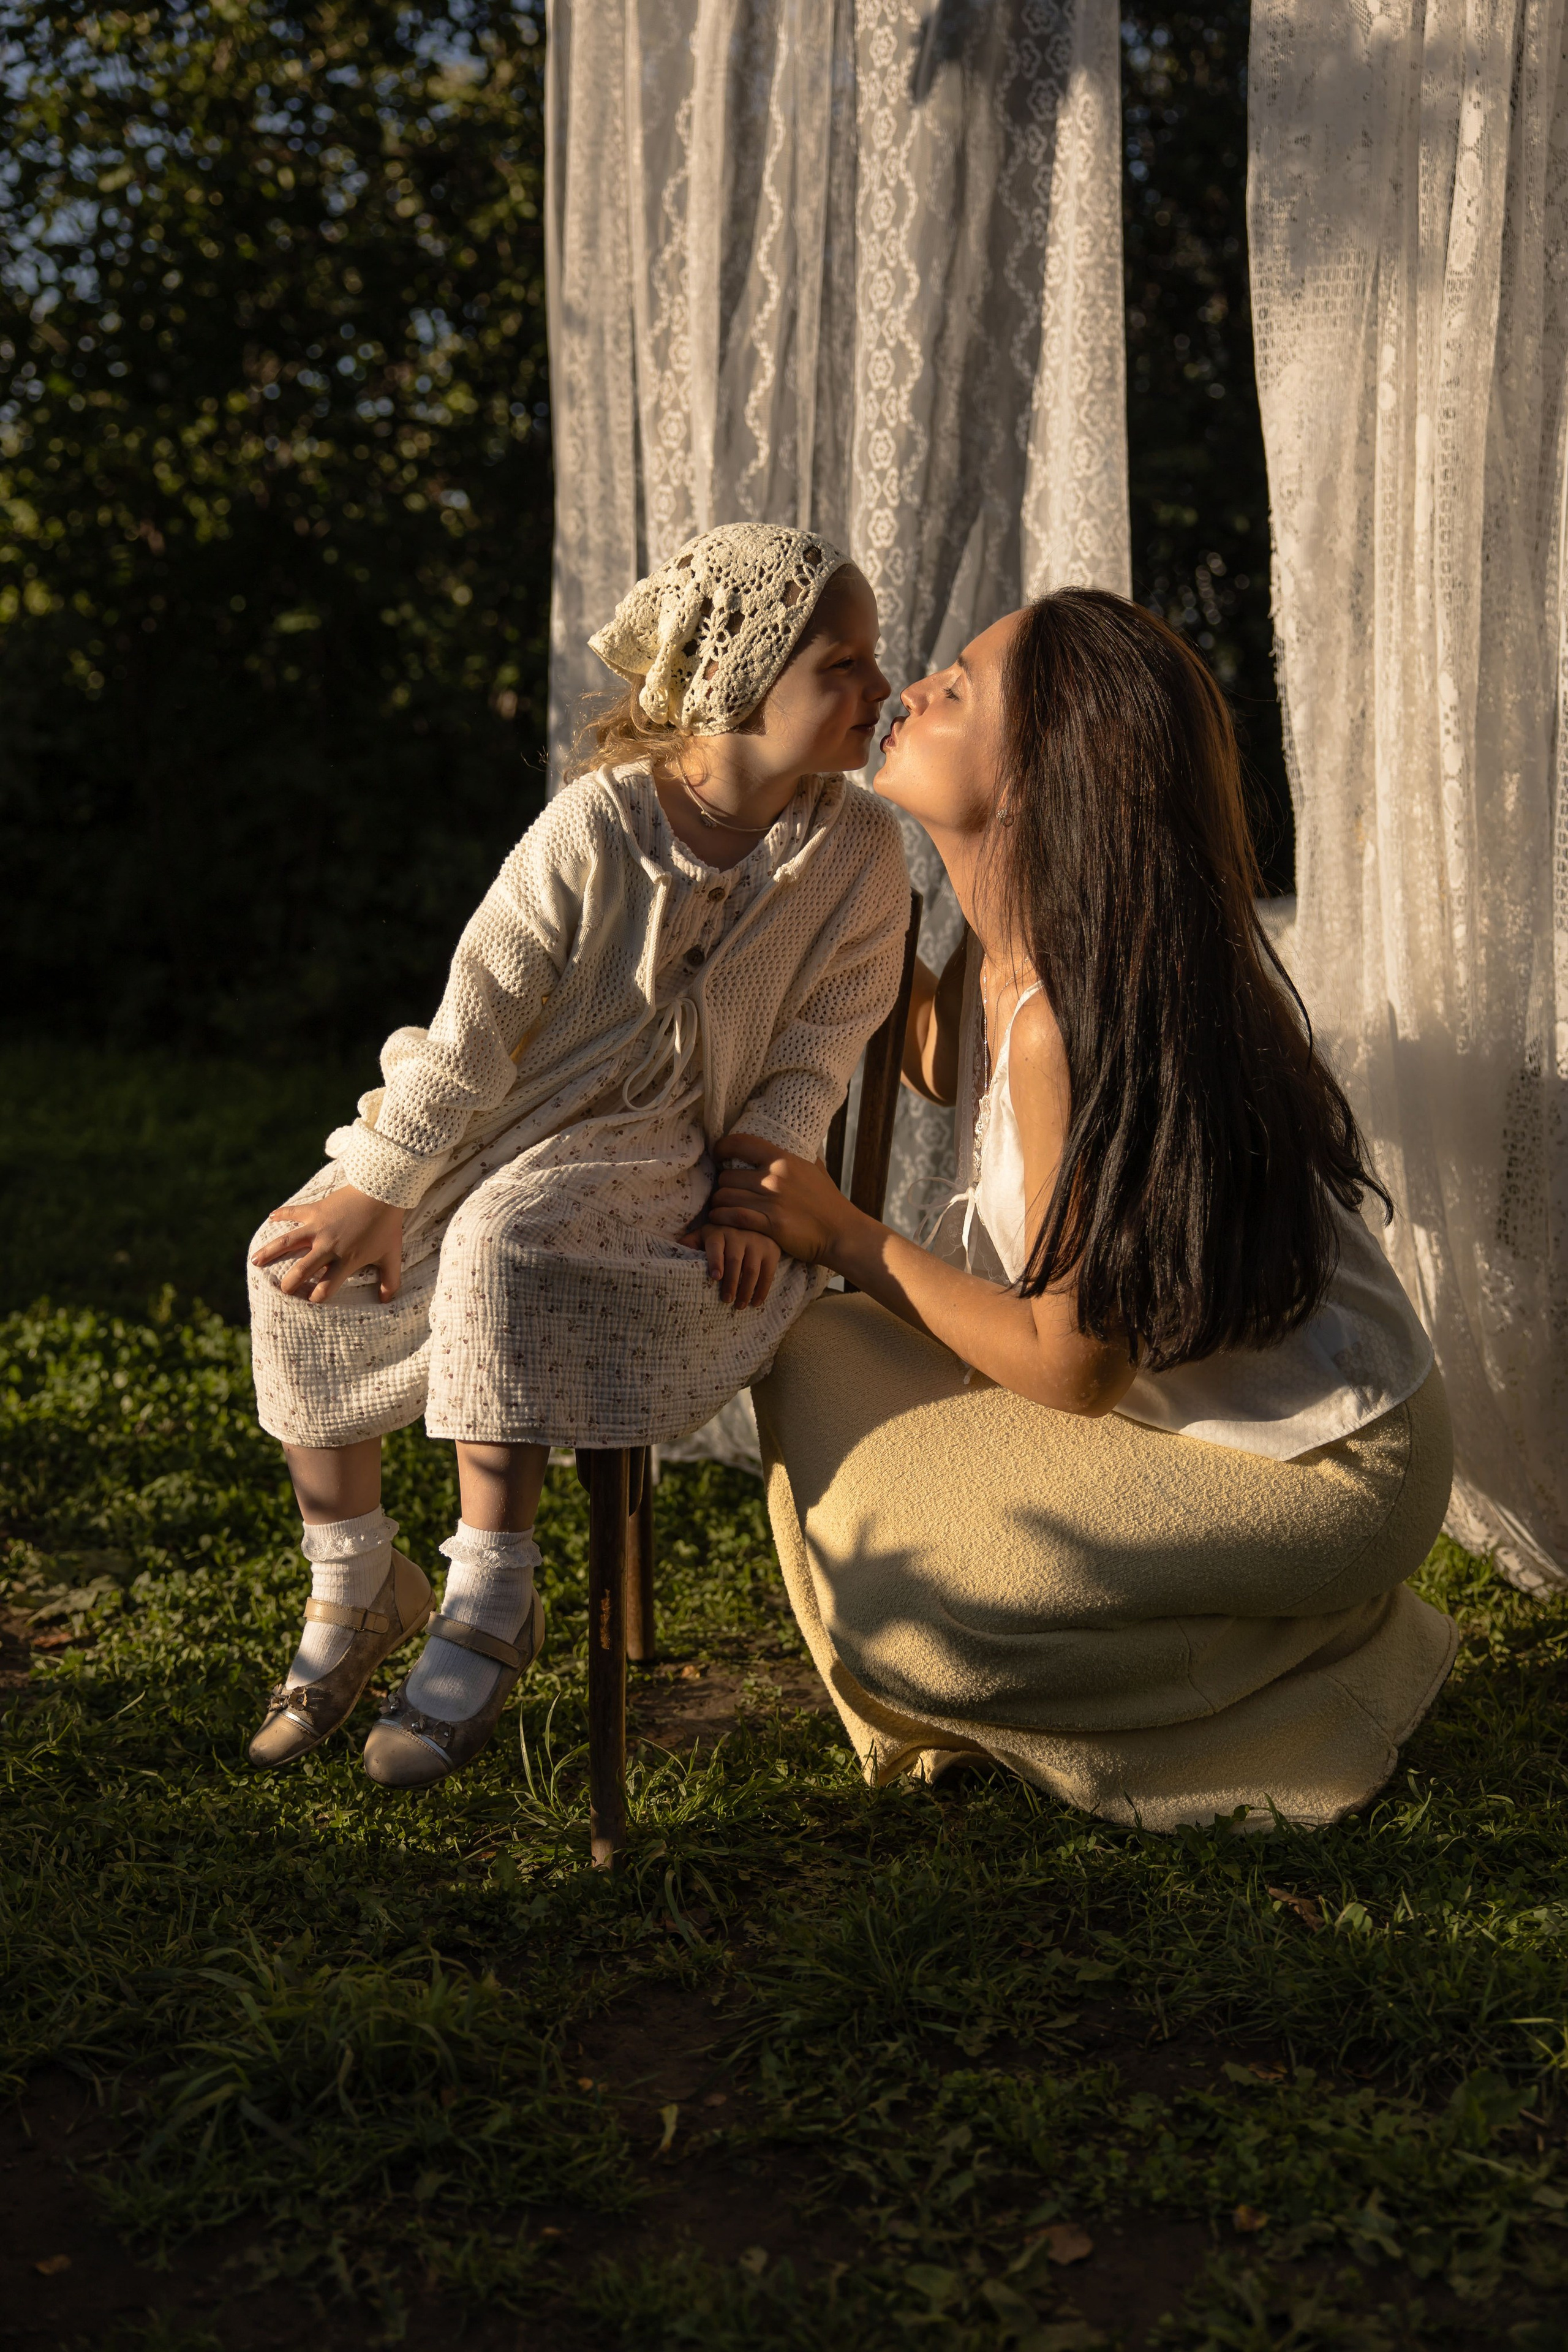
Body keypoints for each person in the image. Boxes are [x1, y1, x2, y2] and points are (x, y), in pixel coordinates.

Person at [710, 589, 1455, 1832]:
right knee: (816, 1345)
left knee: (922, 1614)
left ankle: (1315, 1661)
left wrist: (845, 1233)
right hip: (1178, 1420)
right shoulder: (1010, 950)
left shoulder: (1070, 1011)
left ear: (1043, 774)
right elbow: (937, 1057)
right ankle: (1227, 1630)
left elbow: (1068, 1372)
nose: (917, 689)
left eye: (959, 688)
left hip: (1325, 1467)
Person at [245, 522, 909, 1789]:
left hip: (668, 1157)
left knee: (506, 1248)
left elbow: (817, 1051)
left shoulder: (859, 854)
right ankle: (353, 1583)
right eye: (845, 665)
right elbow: (477, 1020)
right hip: (507, 1115)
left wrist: (747, 1189)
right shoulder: (597, 824)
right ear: (739, 682)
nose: (876, 692)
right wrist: (382, 1187)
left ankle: (491, 1594)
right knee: (296, 1263)